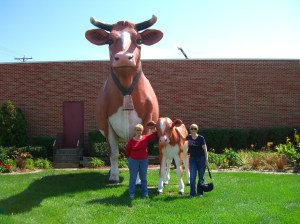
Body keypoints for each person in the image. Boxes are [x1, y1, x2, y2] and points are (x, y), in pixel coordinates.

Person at [125, 124, 157, 199]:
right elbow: (127, 151)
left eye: (140, 130)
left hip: (143, 161)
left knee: (143, 178)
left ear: (142, 131)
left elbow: (154, 135)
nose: (139, 132)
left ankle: (145, 193)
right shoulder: (131, 141)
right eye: (137, 130)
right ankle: (131, 194)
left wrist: (154, 128)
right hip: (133, 161)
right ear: (135, 131)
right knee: (133, 178)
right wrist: (132, 157)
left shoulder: (145, 138)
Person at [186, 123, 209, 197]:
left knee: (201, 177)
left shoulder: (201, 138)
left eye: (195, 129)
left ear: (197, 130)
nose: (193, 130)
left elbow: (205, 149)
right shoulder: (188, 137)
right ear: (190, 130)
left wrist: (206, 159)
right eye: (192, 129)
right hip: (192, 159)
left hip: (201, 159)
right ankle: (192, 193)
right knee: (192, 177)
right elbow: (183, 141)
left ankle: (200, 192)